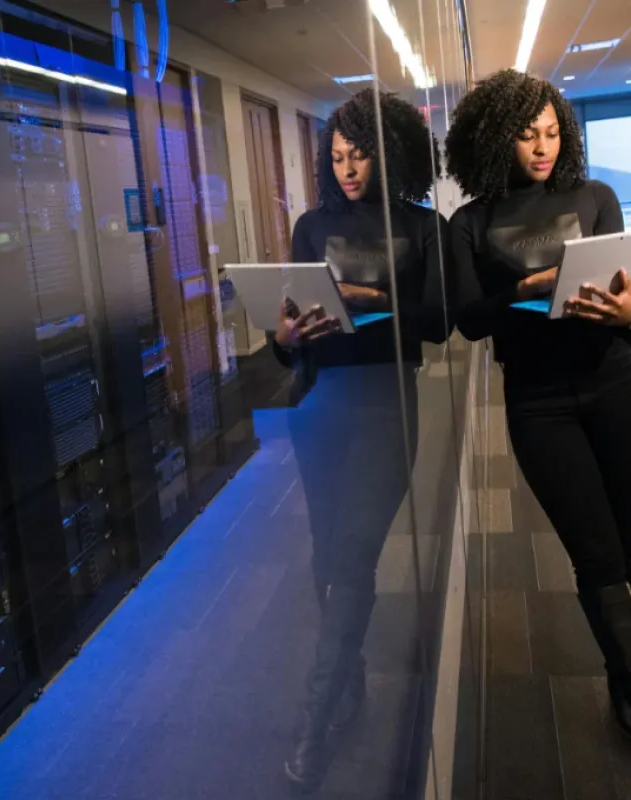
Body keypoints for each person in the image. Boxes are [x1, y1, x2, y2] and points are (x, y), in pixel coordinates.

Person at [271, 88, 452, 791]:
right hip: (320, 405)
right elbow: (291, 341)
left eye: (361, 155)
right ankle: (350, 683)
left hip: (386, 408)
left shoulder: (420, 226)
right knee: (326, 559)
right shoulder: (311, 227)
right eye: (339, 157)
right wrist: (284, 338)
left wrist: (371, 301)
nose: (349, 169)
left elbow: (437, 323)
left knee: (351, 558)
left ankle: (316, 718)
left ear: (389, 152)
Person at [446, 69, 631, 737]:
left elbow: (625, 301)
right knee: (598, 555)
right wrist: (534, 285)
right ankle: (627, 681)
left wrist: (624, 311)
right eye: (527, 135)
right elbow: (468, 320)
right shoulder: (470, 221)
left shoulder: (598, 196)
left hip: (617, 382)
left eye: (553, 132)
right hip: (538, 402)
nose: (543, 147)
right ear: (495, 139)